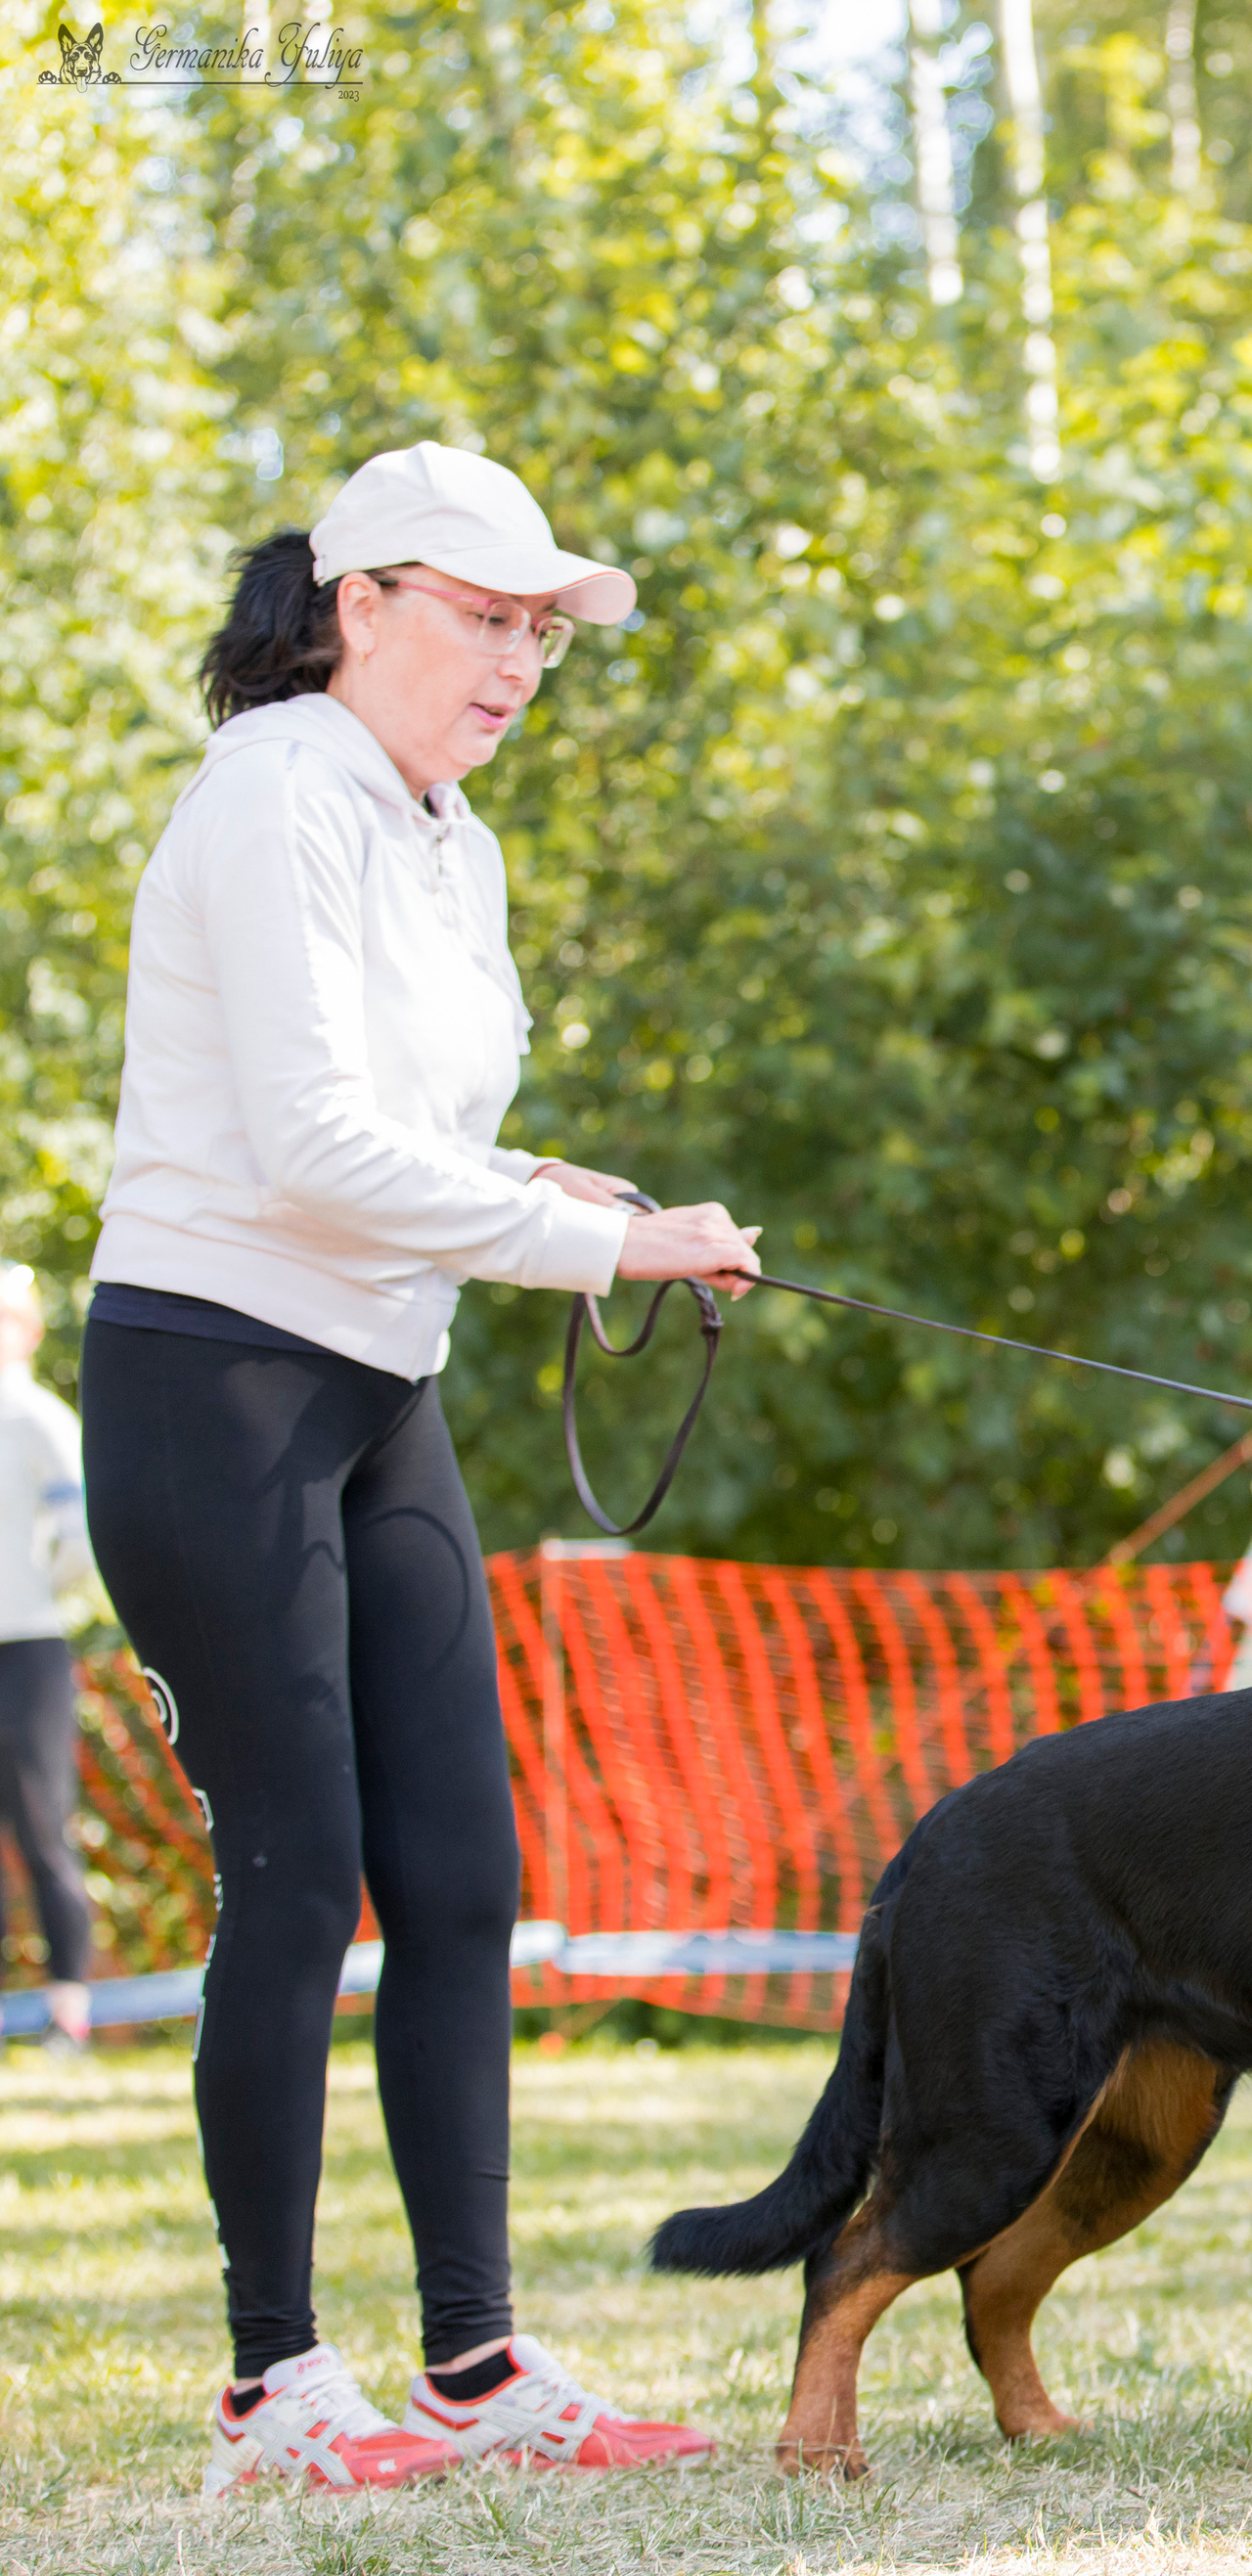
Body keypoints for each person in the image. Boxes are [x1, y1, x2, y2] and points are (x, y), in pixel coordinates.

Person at [79, 441, 762, 2498]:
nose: (518, 660)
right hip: (213, 1378)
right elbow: (304, 1150)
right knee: (298, 1878)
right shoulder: (276, 785)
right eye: (483, 615)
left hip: (380, 1384)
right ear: (356, 601)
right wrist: (600, 1246)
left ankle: (472, 2359)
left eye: (541, 629)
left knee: (463, 1876)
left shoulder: (447, 832)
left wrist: (549, 1180)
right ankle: (273, 2384)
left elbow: (406, 1126)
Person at [0, 1263, 95, 2050]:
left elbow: (80, 1534)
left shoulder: (37, 1416)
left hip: (28, 1648)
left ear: (29, 1328)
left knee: (40, 1827)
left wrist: (37, 1590)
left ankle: (69, 2011)